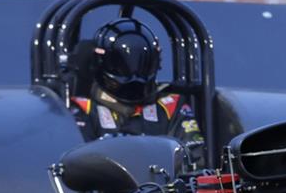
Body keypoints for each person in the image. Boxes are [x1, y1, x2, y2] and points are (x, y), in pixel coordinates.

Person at [70, 18, 203, 148]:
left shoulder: (171, 106)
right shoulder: (82, 109)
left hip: (161, 170)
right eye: (122, 66)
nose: (133, 82)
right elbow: (73, 162)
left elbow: (194, 158)